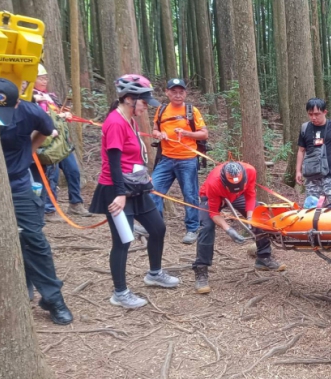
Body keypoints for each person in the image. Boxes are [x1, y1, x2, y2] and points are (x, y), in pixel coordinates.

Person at [89, 74, 180, 309]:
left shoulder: (130, 119)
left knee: (158, 228)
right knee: (123, 240)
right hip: (116, 189)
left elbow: (132, 156)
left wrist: (143, 176)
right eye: (143, 102)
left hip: (135, 187)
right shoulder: (115, 122)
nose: (146, 107)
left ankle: (154, 273)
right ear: (129, 99)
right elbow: (113, 162)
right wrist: (120, 194)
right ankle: (120, 293)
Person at [0, 78, 73, 325]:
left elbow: (47, 129)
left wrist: (28, 150)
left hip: (17, 185)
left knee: (34, 240)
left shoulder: (30, 111)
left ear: (17, 104)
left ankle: (53, 299)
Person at [193, 161, 284, 294]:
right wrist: (229, 230)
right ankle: (201, 270)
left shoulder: (250, 171)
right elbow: (213, 213)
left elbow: (250, 195)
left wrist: (250, 219)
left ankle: (263, 257)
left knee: (260, 215)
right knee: (206, 227)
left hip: (237, 196)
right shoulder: (214, 183)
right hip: (212, 196)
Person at [148, 78, 208, 244]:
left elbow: (204, 134)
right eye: (173, 91)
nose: (177, 95)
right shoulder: (161, 110)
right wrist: (159, 135)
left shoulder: (191, 110)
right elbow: (154, 130)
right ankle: (155, 226)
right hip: (166, 159)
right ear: (167, 92)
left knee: (190, 195)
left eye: (181, 92)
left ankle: (192, 229)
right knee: (153, 190)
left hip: (187, 159)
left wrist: (186, 133)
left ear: (185, 93)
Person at [32, 64, 91, 221]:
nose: (44, 81)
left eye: (45, 78)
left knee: (73, 171)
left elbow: (58, 112)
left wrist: (65, 114)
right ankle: (49, 209)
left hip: (62, 141)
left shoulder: (50, 96)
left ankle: (76, 203)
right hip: (48, 143)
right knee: (52, 175)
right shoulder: (31, 98)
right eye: (41, 78)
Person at [296, 98, 331, 204]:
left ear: (325, 112)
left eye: (317, 114)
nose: (313, 117)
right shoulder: (305, 128)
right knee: (313, 209)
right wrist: (298, 171)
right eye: (310, 114)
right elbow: (301, 150)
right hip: (312, 178)